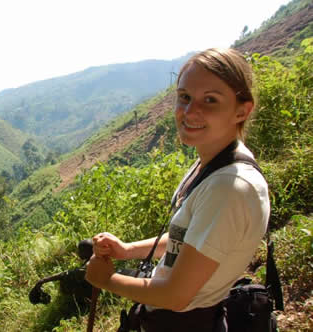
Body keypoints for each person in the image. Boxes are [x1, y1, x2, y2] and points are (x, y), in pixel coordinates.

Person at [85, 48, 270, 332]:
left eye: (210, 100)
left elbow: (176, 296)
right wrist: (127, 251)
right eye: (184, 97)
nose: (190, 111)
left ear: (242, 110)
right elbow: (188, 240)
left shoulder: (229, 188)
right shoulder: (213, 163)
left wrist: (106, 280)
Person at [29, 239, 94, 306]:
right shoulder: (93, 259)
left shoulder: (90, 264)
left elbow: (68, 274)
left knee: (66, 281)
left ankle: (77, 304)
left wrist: (44, 280)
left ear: (86, 252)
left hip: (92, 293)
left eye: (80, 251)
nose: (78, 253)